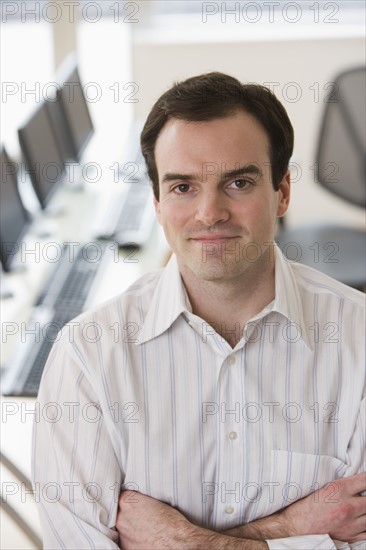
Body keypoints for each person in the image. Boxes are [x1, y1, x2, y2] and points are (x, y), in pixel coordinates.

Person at [32, 72, 365, 549]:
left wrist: (178, 540)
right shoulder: (88, 356)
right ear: (157, 202)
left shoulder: (359, 341)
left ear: (282, 192)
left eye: (239, 182)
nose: (209, 213)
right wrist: (289, 530)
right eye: (183, 187)